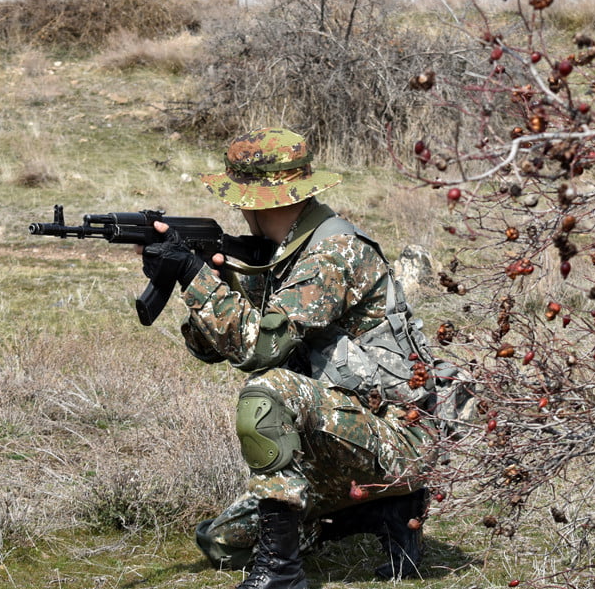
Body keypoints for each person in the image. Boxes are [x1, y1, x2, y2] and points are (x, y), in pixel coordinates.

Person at [140, 128, 469, 588]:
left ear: (256, 198)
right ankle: (382, 509)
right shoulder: (276, 256)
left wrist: (197, 276)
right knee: (221, 542)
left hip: (398, 434)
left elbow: (261, 350)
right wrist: (192, 280)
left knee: (268, 392)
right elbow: (212, 350)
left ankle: (281, 573)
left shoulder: (332, 251)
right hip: (341, 431)